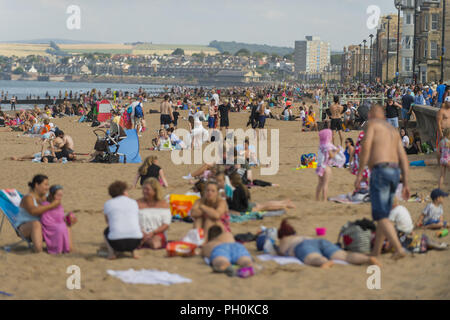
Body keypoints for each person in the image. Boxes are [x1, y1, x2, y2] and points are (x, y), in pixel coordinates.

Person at [355, 104, 410, 259]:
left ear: (372, 115)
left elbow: (365, 148)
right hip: (395, 172)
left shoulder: (372, 125)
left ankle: (399, 249)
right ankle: (375, 253)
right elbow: (403, 158)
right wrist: (406, 182)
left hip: (381, 171)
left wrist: (360, 174)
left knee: (381, 216)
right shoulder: (393, 131)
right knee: (384, 214)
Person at [277, 219, 381, 268]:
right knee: (345, 256)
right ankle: (367, 259)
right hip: (319, 241)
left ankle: (324, 262)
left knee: (312, 258)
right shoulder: (298, 236)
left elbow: (281, 252)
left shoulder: (283, 240)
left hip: (303, 246)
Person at [15, 175, 61, 253]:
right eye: (45, 184)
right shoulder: (28, 198)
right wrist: (51, 205)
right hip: (25, 227)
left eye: (48, 185)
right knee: (36, 224)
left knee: (64, 221)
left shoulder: (46, 197)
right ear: (37, 185)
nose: (47, 187)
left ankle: (63, 248)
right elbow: (33, 211)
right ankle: (38, 250)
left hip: (43, 225)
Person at [103, 181, 143, 259]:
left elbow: (108, 222)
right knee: (136, 227)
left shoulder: (108, 203)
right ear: (124, 192)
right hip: (135, 241)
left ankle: (111, 253)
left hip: (116, 243)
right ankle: (134, 251)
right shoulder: (133, 202)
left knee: (106, 231)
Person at [137, 178, 171, 249]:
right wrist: (142, 233)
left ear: (155, 191)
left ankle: (146, 241)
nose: (144, 191)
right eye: (144, 189)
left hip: (157, 232)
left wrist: (153, 233)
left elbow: (166, 224)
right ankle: (145, 240)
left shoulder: (163, 204)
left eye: (147, 189)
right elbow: (132, 220)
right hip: (140, 231)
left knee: (155, 244)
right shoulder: (137, 203)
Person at [40, 185, 73, 254]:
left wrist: (68, 217)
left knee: (66, 226)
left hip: (59, 223)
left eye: (61, 195)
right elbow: (45, 219)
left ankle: (66, 248)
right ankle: (57, 249)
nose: (60, 197)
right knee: (61, 227)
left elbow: (60, 216)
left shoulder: (58, 203)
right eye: (58, 195)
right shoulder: (45, 204)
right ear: (52, 195)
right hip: (49, 226)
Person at [316, 129, 338, 201]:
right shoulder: (328, 146)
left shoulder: (320, 146)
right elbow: (331, 156)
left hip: (319, 167)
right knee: (325, 184)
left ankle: (317, 198)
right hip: (326, 166)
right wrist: (337, 151)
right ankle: (324, 199)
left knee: (320, 183)